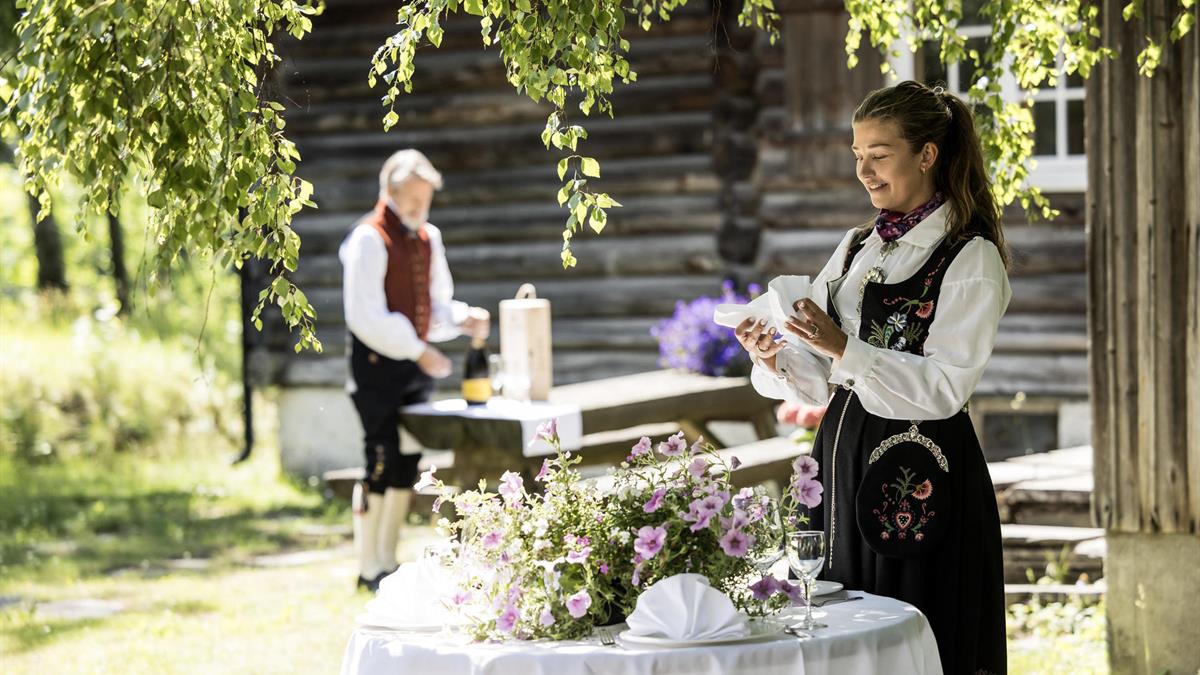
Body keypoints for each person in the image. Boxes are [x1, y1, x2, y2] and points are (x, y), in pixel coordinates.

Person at [739, 80, 1009, 673]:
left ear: (927, 154)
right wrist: (774, 354)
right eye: (857, 155)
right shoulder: (857, 246)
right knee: (836, 621)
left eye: (879, 154)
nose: (864, 170)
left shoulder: (969, 257)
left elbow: (945, 387)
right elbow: (819, 377)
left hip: (920, 469)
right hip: (841, 458)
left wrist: (844, 348)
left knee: (917, 622)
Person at [339, 149, 490, 592]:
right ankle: (368, 566)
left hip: (413, 370)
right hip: (376, 368)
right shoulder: (368, 239)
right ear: (389, 192)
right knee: (381, 461)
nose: (419, 208)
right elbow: (365, 316)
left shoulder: (428, 238)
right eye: (412, 199)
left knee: (408, 462)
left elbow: (435, 306)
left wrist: (461, 319)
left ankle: (388, 561)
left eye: (425, 200)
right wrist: (418, 349)